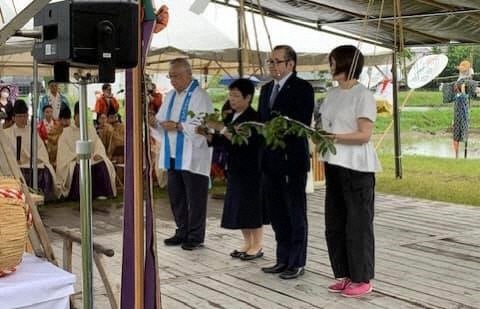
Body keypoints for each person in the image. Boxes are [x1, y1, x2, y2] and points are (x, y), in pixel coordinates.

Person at [319, 45, 381, 298]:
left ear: (345, 63)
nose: (330, 66)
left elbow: (364, 135)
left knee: (358, 224)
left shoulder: (362, 94)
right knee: (335, 223)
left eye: (333, 61)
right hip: (334, 163)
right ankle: (344, 274)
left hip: (357, 166)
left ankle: (362, 277)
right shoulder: (332, 94)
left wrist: (333, 137)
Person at [258, 45, 314, 279]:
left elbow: (301, 122)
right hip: (270, 160)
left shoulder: (302, 88)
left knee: (294, 211)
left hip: (291, 159)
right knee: (277, 211)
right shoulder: (266, 89)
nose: (272, 66)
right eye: (269, 61)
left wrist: (279, 127)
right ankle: (282, 258)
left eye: (276, 61)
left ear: (290, 64)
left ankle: (297, 261)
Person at [150, 58, 213, 250]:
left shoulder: (200, 96)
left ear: (188, 74)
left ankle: (195, 235)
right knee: (176, 195)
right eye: (170, 77)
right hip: (172, 152)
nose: (172, 80)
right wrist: (154, 123)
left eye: (176, 76)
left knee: (194, 196)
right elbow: (162, 120)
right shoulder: (169, 96)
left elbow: (204, 126)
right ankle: (181, 230)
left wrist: (178, 126)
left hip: (192, 154)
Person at [205, 79, 266, 260]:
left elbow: (243, 141)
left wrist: (222, 129)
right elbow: (222, 141)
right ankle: (247, 242)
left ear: (247, 97)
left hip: (251, 168)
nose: (232, 99)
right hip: (234, 167)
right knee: (238, 206)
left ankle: (258, 244)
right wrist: (208, 133)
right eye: (230, 95)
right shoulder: (230, 116)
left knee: (252, 207)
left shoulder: (253, 118)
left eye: (236, 95)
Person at [56, 102, 117, 200]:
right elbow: (63, 152)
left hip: (91, 157)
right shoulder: (66, 132)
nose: (81, 119)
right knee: (78, 167)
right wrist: (75, 156)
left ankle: (101, 193)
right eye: (79, 116)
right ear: (75, 116)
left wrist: (98, 153)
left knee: (102, 163)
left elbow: (97, 143)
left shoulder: (90, 129)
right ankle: (79, 195)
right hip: (74, 160)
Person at [4, 100, 58, 200]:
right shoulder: (7, 133)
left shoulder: (33, 132)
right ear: (13, 117)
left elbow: (41, 149)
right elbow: (5, 153)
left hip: (32, 162)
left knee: (45, 169)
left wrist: (36, 158)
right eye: (19, 116)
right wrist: (14, 160)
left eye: (24, 116)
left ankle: (41, 196)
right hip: (14, 164)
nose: (22, 119)